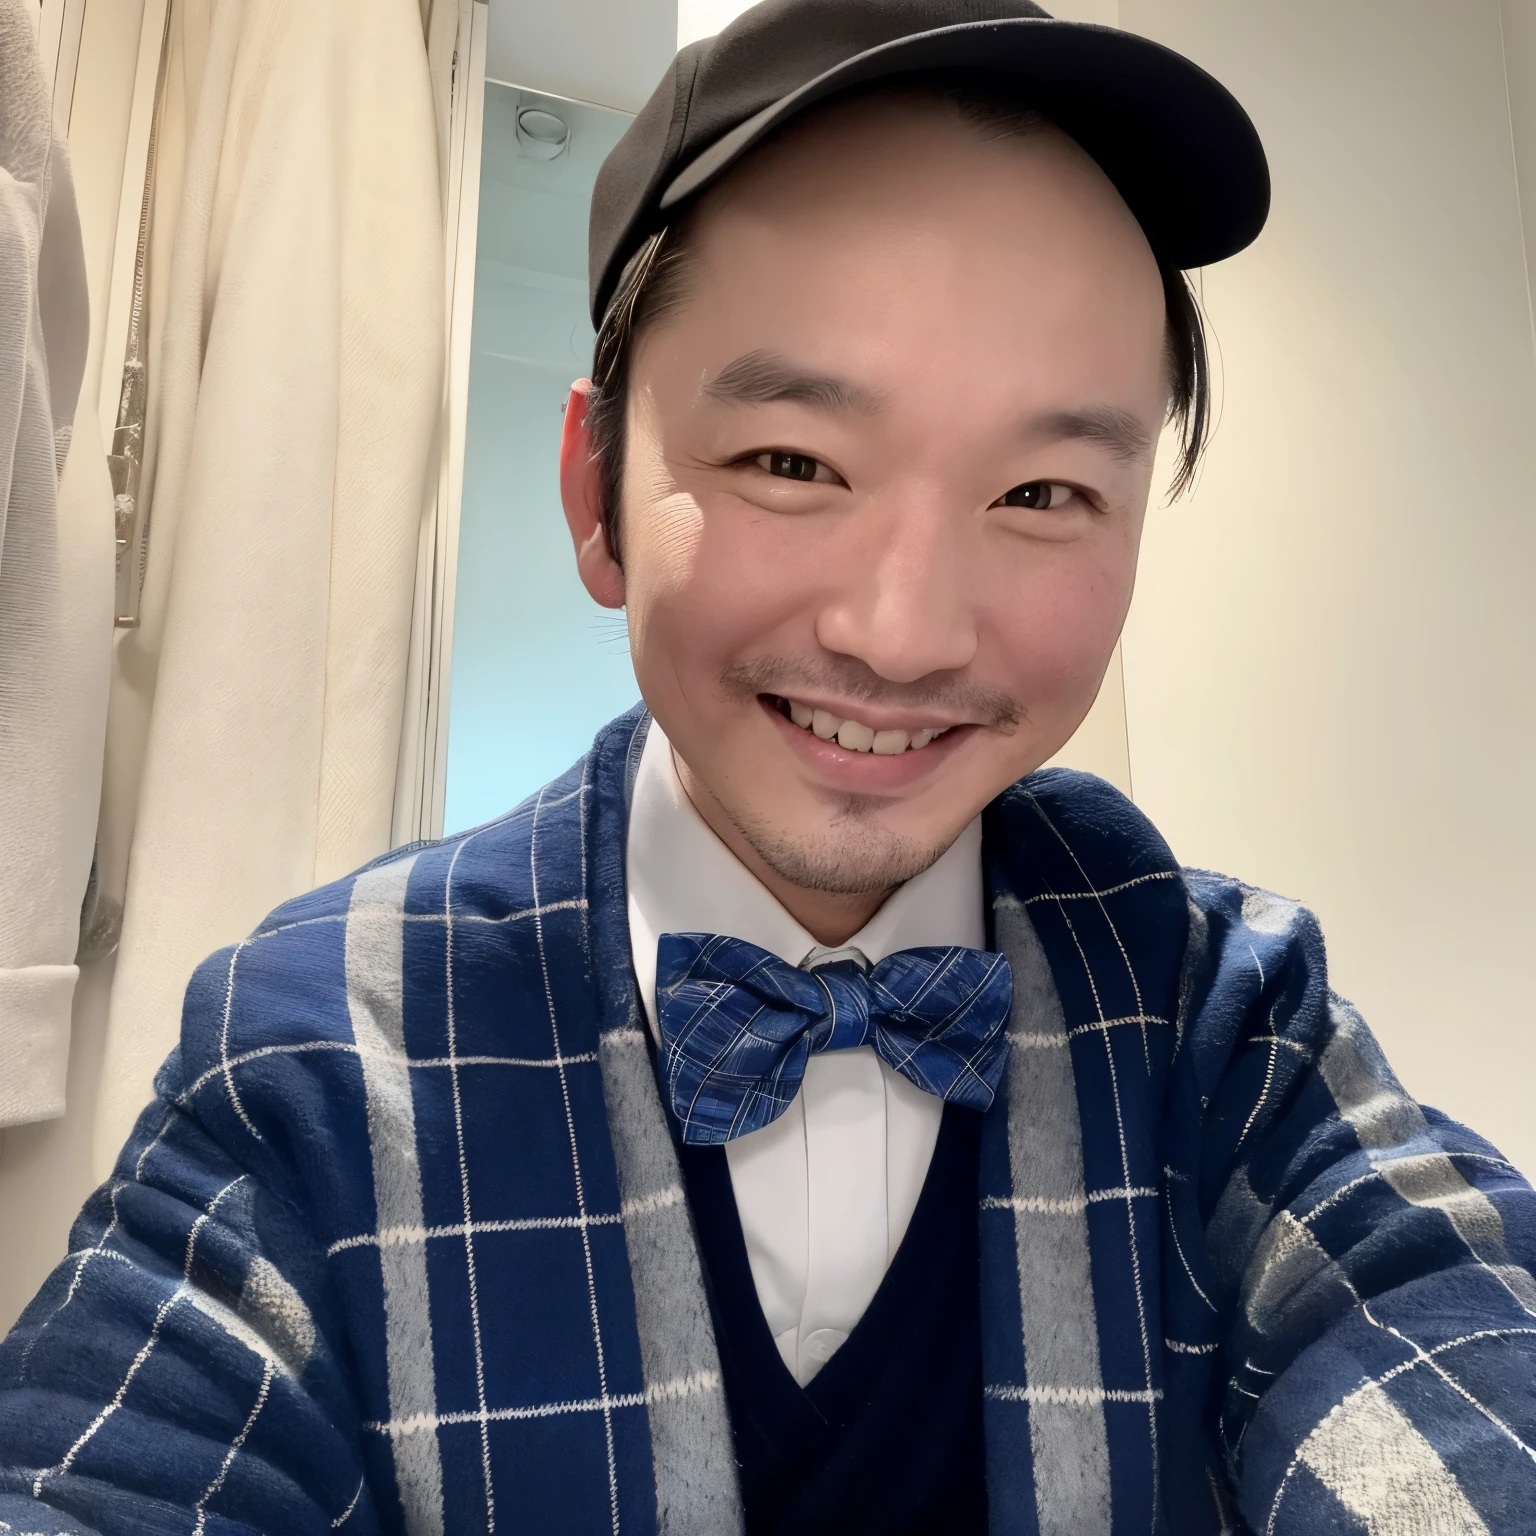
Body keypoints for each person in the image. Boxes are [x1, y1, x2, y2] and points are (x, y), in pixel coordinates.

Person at [2, 1, 1533, 1531]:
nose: (907, 633)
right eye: (792, 464)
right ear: (596, 495)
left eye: (1045, 489)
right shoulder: (317, 1043)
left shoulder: (1222, 1013)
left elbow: (1454, 1352)